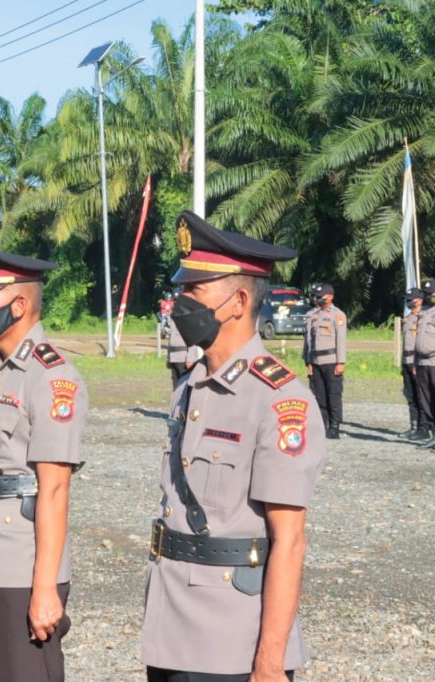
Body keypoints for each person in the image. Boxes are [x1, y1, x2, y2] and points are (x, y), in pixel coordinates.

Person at [141, 212, 327, 682]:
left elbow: (289, 541)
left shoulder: (281, 399)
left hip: (231, 640)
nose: (179, 302)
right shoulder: (190, 384)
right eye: (181, 289)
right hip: (171, 622)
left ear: (238, 300)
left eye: (194, 291)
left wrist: (268, 664)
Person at [0, 240, 88, 682]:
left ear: (19, 303)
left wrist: (45, 586)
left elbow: (54, 488)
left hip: (21, 563)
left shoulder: (52, 377)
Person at [302, 283, 346, 439]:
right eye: (316, 296)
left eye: (321, 296)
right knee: (319, 394)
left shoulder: (337, 315)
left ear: (330, 297)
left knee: (333, 394)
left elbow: (341, 340)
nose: (318, 299)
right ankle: (323, 423)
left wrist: (341, 362)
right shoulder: (312, 315)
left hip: (331, 360)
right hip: (315, 360)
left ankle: (335, 426)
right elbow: (307, 340)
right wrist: (307, 361)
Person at [411, 279, 435, 446]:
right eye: (426, 294)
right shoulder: (425, 313)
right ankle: (432, 435)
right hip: (422, 362)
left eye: (431, 293)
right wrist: (414, 362)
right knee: (426, 400)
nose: (428, 296)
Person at [401, 287, 425, 440]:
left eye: (412, 300)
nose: (409, 302)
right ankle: (414, 426)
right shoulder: (408, 318)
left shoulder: (425, 318)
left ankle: (424, 428)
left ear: (420, 300)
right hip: (406, 361)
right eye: (408, 299)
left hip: (418, 362)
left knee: (421, 397)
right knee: (410, 396)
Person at [166, 323, 203, 389]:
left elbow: (192, 339)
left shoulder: (187, 317)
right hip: (173, 358)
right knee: (176, 387)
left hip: (184, 358)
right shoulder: (173, 318)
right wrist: (168, 358)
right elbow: (170, 339)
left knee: (184, 386)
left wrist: (190, 358)